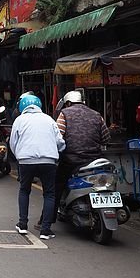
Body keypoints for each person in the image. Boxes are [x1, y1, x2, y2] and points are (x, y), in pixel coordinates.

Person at [9, 94, 65, 240]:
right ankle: (45, 230)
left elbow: (13, 142)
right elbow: (60, 141)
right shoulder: (48, 119)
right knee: (49, 194)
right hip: (48, 160)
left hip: (26, 161)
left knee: (24, 190)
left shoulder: (19, 120)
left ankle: (22, 225)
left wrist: (20, 156)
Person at [53, 90, 110, 221]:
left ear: (68, 103)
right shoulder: (96, 115)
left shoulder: (64, 114)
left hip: (71, 160)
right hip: (95, 160)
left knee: (57, 186)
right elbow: (106, 138)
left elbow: (57, 137)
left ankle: (48, 219)